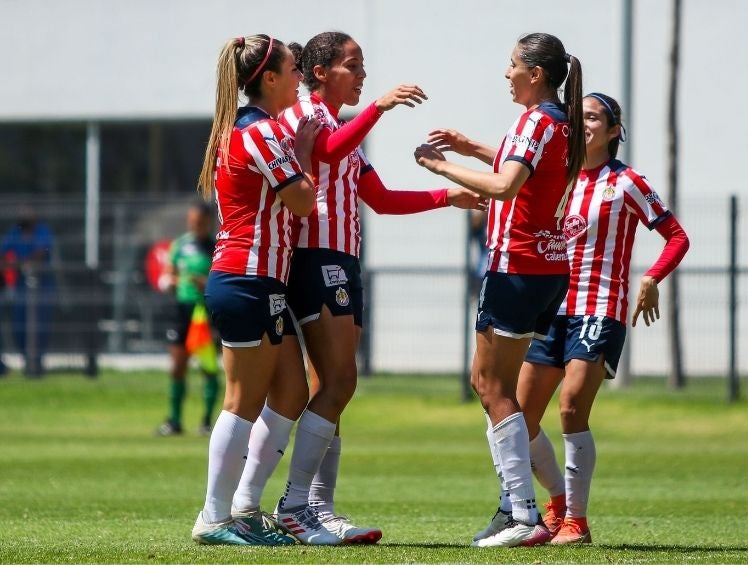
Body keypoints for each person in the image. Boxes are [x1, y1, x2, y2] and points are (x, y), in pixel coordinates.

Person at [233, 31, 482, 546]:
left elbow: (381, 198)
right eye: (354, 64)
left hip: (342, 263)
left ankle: (314, 508)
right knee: (338, 383)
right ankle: (296, 506)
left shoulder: (338, 125)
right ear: (320, 71)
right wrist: (380, 107)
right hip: (316, 261)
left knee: (335, 388)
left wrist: (447, 196)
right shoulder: (307, 115)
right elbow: (324, 150)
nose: (364, 74)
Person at [494, 92, 691, 545]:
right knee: (520, 418)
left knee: (570, 407)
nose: (583, 124)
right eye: (578, 117)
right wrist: (467, 148)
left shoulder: (626, 181)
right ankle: (559, 503)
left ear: (614, 130)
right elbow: (508, 172)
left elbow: (676, 236)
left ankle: (576, 522)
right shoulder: (556, 178)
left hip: (599, 309)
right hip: (552, 309)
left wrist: (652, 278)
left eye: (593, 117)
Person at [414, 32, 585, 547]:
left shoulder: (537, 119)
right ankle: (534, 507)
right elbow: (521, 167)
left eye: (511, 65)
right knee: (497, 388)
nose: (505, 73)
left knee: (491, 387)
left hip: (517, 267)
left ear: (535, 73)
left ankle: (523, 513)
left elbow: (506, 184)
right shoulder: (559, 121)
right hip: (547, 271)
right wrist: (471, 146)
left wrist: (441, 166)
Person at [190, 33, 322, 546]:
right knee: (242, 399)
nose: (299, 78)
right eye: (293, 69)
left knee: (291, 391)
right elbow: (304, 201)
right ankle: (215, 517)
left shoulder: (251, 130)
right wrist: (307, 150)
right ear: (268, 79)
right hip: (244, 280)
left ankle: (243, 507)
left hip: (260, 281)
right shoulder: (260, 133)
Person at [156, 201, 219, 437]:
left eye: (200, 221)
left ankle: (206, 421)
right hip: (181, 310)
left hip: (203, 313)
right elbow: (167, 275)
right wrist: (169, 282)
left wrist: (206, 283)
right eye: (192, 221)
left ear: (209, 222)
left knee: (208, 367)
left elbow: (221, 281)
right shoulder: (180, 245)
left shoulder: (216, 248)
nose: (195, 225)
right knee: (177, 366)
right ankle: (174, 420)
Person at [0, 206, 56, 377]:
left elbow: (41, 253)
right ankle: (27, 360)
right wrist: (17, 265)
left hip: (42, 285)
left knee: (40, 326)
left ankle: (37, 363)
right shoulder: (15, 233)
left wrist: (21, 263)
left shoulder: (42, 231)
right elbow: (3, 252)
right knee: (19, 325)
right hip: (22, 286)